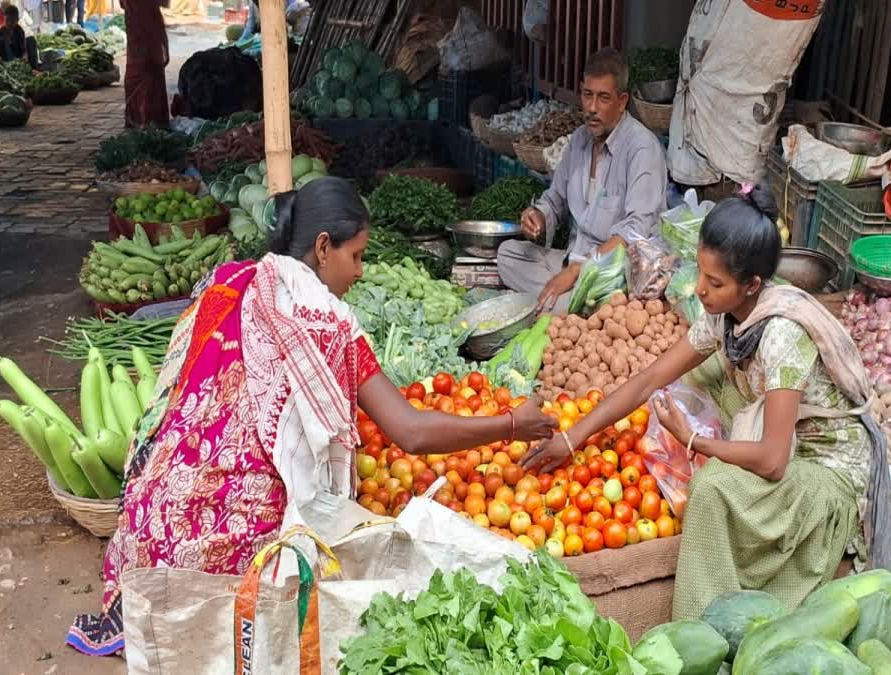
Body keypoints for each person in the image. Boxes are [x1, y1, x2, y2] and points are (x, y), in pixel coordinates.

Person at [67, 177, 559, 656]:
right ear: (324, 247)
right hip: (217, 544)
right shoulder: (325, 321)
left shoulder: (228, 281)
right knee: (316, 556)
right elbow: (409, 431)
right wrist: (514, 424)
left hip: (149, 523)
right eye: (357, 256)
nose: (361, 272)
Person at [522, 184, 891, 617]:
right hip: (785, 441)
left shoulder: (782, 335)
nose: (700, 291)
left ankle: (706, 623)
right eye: (700, 274)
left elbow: (772, 461)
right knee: (695, 377)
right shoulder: (724, 318)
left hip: (826, 470)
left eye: (715, 282)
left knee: (710, 488)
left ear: (752, 286)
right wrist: (572, 437)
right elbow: (651, 377)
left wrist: (695, 442)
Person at [497, 48, 667, 314]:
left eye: (603, 98)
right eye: (587, 95)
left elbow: (636, 231)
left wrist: (579, 269)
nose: (591, 108)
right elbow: (555, 199)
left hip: (613, 273)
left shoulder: (642, 148)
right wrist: (538, 216)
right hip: (572, 259)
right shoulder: (579, 140)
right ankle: (562, 303)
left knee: (573, 298)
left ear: (622, 101)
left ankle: (560, 303)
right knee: (507, 255)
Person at [121, 0, 169, 128]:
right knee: (147, 75)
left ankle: (144, 120)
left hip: (143, 35)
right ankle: (149, 121)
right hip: (142, 35)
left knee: (144, 75)